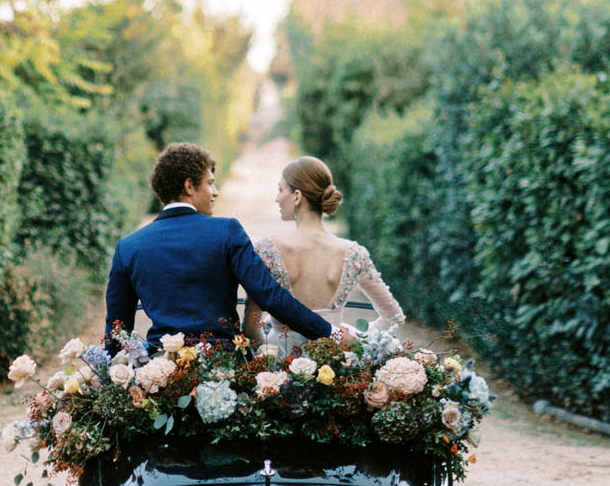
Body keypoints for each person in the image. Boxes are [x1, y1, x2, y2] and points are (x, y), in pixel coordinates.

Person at [104, 142, 340, 349]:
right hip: (224, 369)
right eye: (210, 183)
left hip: (159, 375)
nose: (215, 192)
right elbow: (270, 297)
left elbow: (117, 332)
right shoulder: (227, 231)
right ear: (189, 186)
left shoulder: (128, 247)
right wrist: (331, 333)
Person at [242, 154, 403, 347]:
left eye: (280, 189)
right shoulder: (354, 254)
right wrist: (355, 340)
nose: (277, 198)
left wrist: (268, 361)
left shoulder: (267, 249)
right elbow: (393, 317)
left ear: (297, 197)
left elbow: (250, 328)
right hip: (336, 365)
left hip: (280, 367)